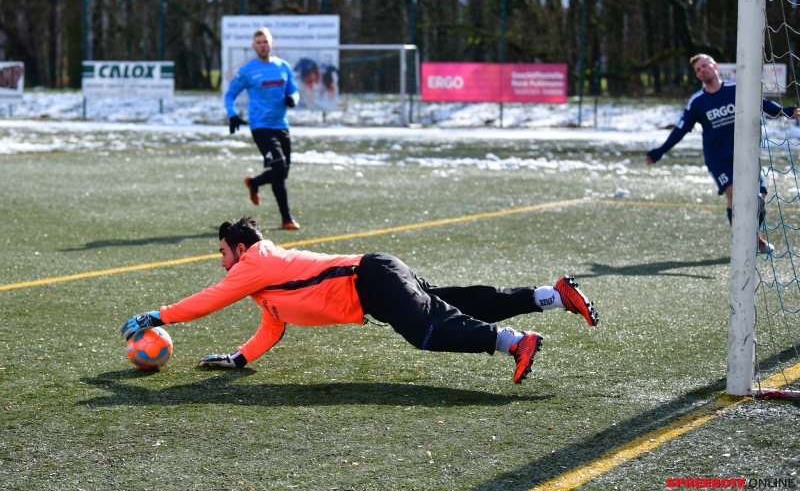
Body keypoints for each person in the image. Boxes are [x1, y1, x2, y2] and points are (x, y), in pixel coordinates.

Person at [122, 216, 599, 384]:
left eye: (223, 252)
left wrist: (157, 315)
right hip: (375, 276)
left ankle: (513, 342)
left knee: (427, 329)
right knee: (457, 304)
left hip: (370, 279)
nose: (221, 261)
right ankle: (550, 296)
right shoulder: (261, 283)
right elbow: (274, 324)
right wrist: (239, 357)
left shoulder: (255, 264)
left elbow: (208, 300)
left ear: (241, 249)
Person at [645, 54, 798, 254]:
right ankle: (741, 240)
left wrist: (784, 112)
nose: (702, 71)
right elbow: (680, 130)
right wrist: (659, 152)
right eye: (698, 70)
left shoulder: (735, 89)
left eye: (704, 66)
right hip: (718, 159)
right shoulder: (697, 102)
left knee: (760, 196)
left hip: (746, 154)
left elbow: (761, 103)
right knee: (734, 193)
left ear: (714, 66)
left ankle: (754, 237)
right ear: (698, 76)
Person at [225, 28, 301, 231]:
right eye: (258, 42)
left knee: (281, 172)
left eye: (265, 41)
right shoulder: (248, 70)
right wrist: (232, 114)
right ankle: (286, 218)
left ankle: (255, 182)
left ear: (271, 43)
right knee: (279, 166)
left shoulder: (282, 66)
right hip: (260, 126)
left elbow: (293, 90)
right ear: (253, 46)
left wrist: (293, 98)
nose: (262, 45)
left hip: (281, 125)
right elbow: (230, 94)